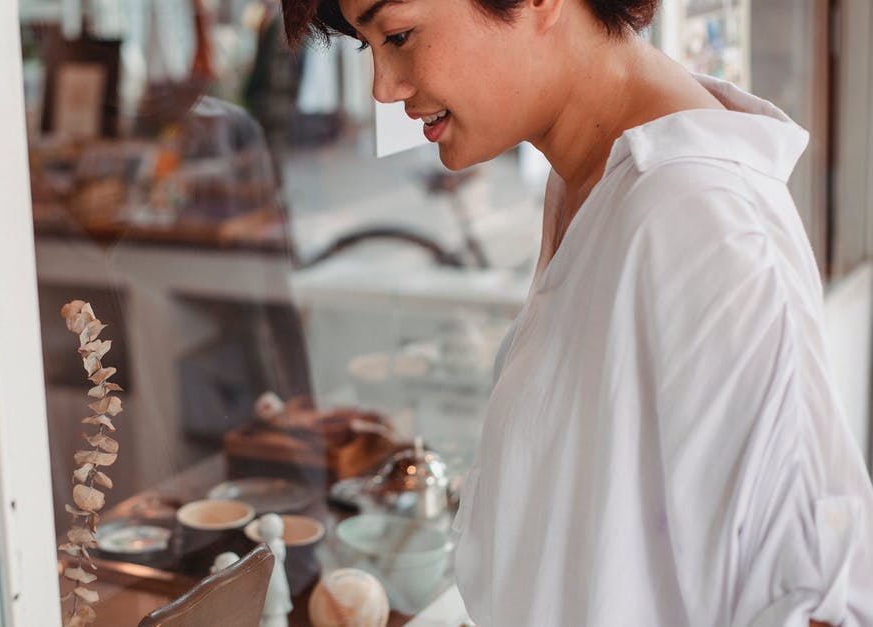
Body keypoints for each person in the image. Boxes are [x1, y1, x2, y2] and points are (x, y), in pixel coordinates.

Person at [281, 0, 873, 625]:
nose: (383, 88)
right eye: (367, 45)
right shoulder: (588, 182)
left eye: (399, 35)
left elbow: (814, 604)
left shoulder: (696, 215)